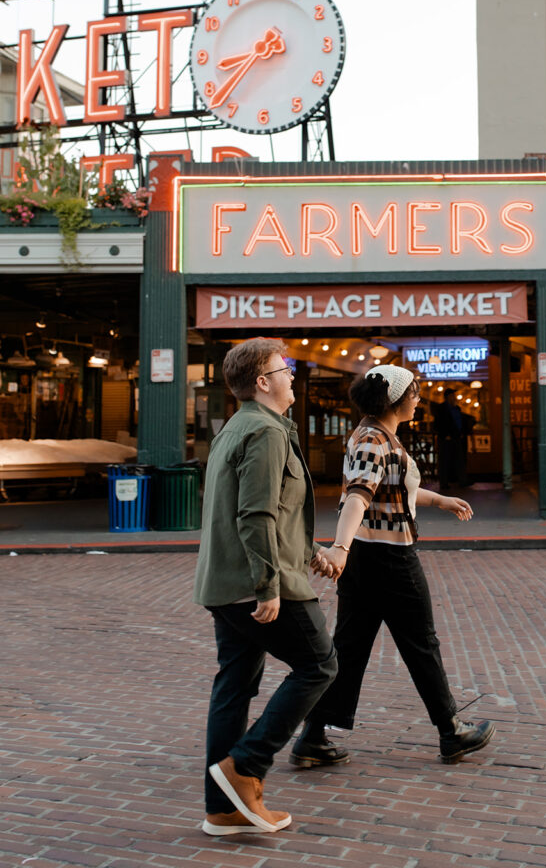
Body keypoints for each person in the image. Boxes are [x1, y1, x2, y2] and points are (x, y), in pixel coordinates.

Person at [289, 364, 495, 769]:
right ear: (396, 400)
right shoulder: (373, 439)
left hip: (367, 558)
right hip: (387, 559)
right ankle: (450, 731)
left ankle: (312, 736)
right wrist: (340, 548)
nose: (419, 400)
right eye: (415, 393)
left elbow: (395, 491)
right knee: (421, 643)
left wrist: (442, 501)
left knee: (348, 649)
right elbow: (358, 497)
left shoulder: (376, 435)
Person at [193, 338, 338, 837]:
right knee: (320, 664)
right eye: (286, 368)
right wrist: (268, 586)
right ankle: (246, 766)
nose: (292, 375)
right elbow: (253, 514)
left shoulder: (239, 426)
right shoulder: (266, 432)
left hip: (223, 582)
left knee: (233, 688)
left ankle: (222, 810)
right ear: (262, 381)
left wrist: (309, 549)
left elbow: (274, 510)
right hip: (254, 583)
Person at [435, 388, 475, 490]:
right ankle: (445, 483)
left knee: (458, 460)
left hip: (456, 438)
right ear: (448, 397)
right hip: (447, 439)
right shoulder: (443, 409)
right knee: (446, 461)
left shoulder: (456, 408)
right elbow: (439, 423)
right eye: (453, 396)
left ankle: (461, 480)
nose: (455, 398)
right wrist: (444, 435)